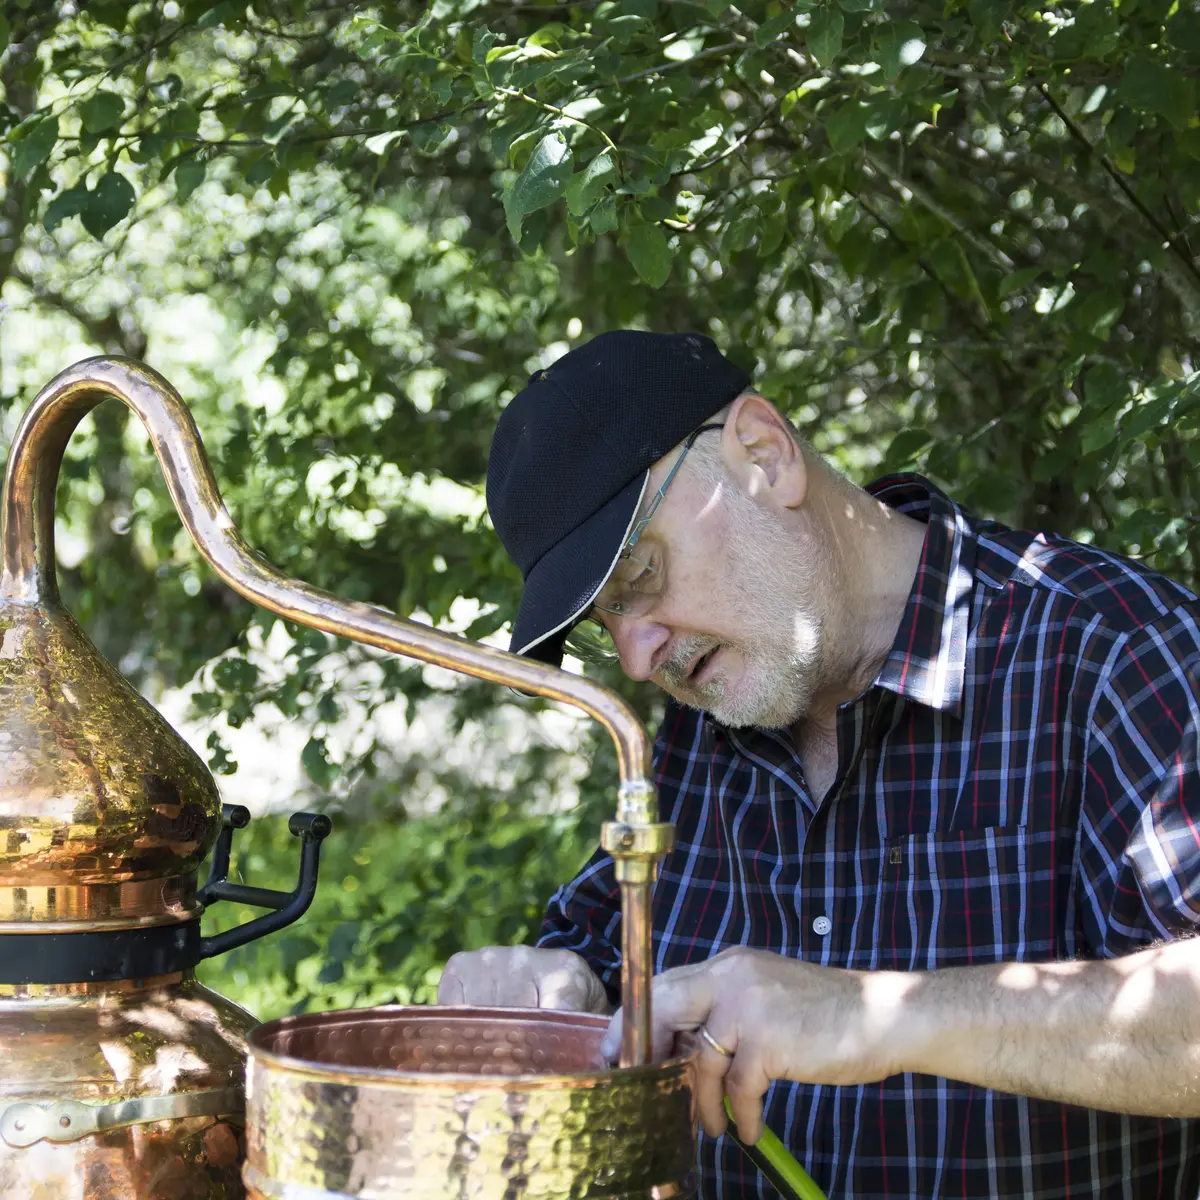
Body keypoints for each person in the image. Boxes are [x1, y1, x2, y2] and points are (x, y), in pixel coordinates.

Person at [438, 330, 1200, 1197]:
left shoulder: (1110, 658)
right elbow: (608, 959)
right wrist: (558, 987)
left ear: (764, 455)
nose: (639, 657)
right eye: (603, 624)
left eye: (640, 575)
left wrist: (875, 1015)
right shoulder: (708, 721)